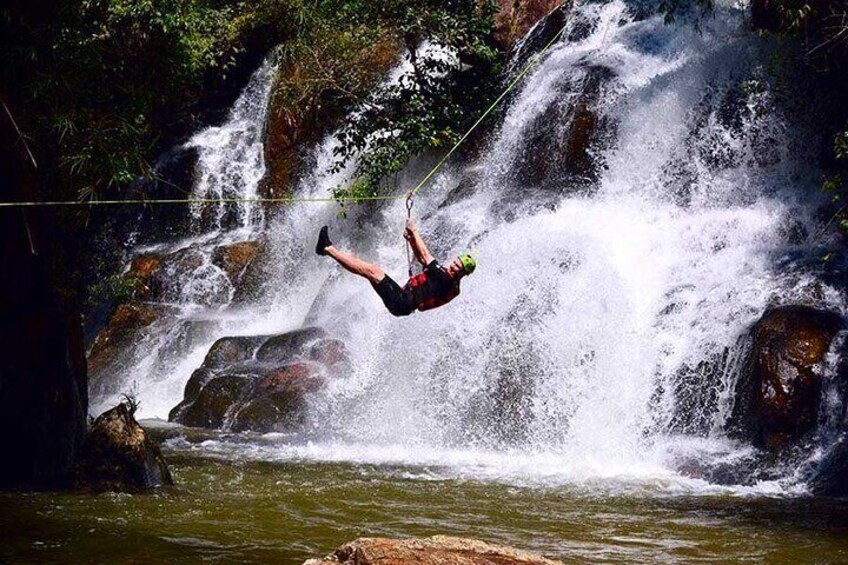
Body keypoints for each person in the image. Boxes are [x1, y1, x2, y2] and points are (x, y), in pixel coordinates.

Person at [315, 220, 475, 316]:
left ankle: (327, 248)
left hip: (403, 302)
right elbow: (421, 259)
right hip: (403, 300)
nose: (453, 265)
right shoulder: (447, 279)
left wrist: (414, 230)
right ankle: (328, 250)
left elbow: (426, 255)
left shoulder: (447, 280)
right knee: (369, 272)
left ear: (462, 274)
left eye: (457, 267)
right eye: (455, 262)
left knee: (373, 271)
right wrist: (412, 240)